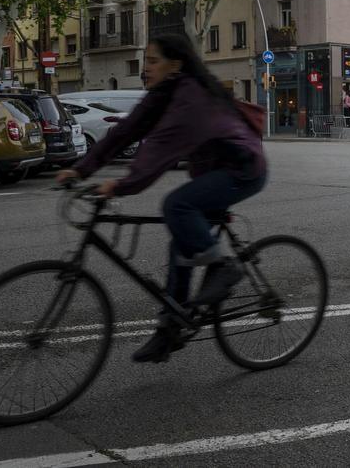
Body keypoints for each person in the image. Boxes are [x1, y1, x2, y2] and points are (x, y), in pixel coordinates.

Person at [57, 33, 267, 363]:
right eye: (144, 61)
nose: (145, 68)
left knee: (176, 205)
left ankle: (225, 266)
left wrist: (121, 185)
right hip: (216, 171)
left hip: (243, 169)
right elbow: (126, 131)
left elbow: (160, 147)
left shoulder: (190, 98)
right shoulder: (163, 93)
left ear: (175, 65)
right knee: (180, 236)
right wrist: (81, 170)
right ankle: (172, 327)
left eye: (153, 61)